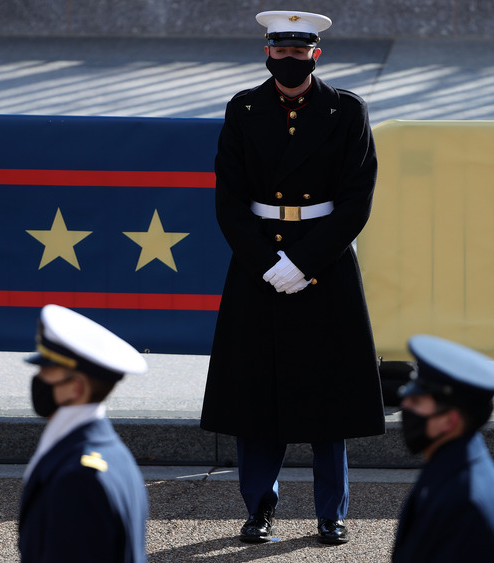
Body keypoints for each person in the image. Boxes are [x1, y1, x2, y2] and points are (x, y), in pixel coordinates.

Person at [199, 9, 385, 545]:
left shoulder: (346, 110)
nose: (288, 59)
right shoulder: (245, 107)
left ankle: (331, 511)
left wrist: (303, 263)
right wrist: (267, 263)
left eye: (298, 51)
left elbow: (356, 200)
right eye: (279, 50)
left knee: (330, 398)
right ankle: (258, 507)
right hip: (258, 263)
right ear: (267, 52)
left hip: (323, 261)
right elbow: (229, 201)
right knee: (256, 397)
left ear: (315, 54)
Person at [18, 304, 149, 563]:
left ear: (75, 387)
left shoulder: (79, 478)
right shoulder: (111, 451)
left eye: (47, 370)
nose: (39, 378)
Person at [392, 335, 494, 563]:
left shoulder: (465, 504)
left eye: (417, 402)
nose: (405, 406)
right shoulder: (453, 463)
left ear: (449, 421)